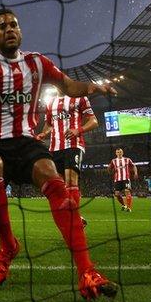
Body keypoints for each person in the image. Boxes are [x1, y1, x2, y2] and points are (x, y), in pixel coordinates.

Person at [0, 7, 118, 300]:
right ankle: (7, 247)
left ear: (20, 30)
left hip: (26, 140)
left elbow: (68, 86)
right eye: (2, 27)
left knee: (55, 181)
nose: (10, 29)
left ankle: (87, 271)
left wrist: (92, 87)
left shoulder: (37, 63)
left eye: (13, 25)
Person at [37, 89, 98, 226]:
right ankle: (75, 218)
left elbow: (94, 121)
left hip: (73, 145)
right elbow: (48, 124)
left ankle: (74, 221)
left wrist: (78, 130)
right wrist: (43, 134)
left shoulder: (79, 98)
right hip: (54, 149)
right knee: (58, 186)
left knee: (71, 181)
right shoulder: (50, 102)